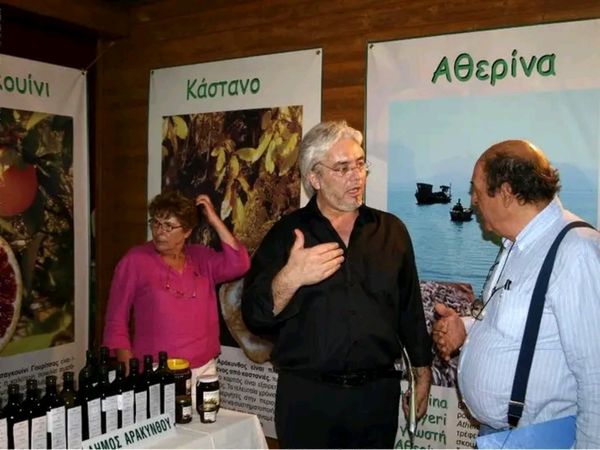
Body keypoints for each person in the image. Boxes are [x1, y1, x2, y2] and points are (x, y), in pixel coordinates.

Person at [241, 121, 432, 449]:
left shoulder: (391, 232)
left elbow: (410, 311)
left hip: (376, 399)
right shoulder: (286, 235)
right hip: (308, 401)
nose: (357, 177)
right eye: (343, 168)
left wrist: (422, 371)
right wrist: (290, 278)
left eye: (360, 164)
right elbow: (254, 316)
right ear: (314, 178)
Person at [432, 140, 600, 447]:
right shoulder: (517, 244)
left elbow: (596, 378)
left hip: (540, 439)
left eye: (477, 191)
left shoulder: (577, 252)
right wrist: (465, 328)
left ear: (507, 193)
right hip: (502, 436)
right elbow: (518, 326)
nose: (473, 201)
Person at [103, 190, 250, 380]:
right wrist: (129, 372)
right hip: (157, 369)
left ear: (187, 231)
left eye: (168, 226)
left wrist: (214, 220)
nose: (159, 232)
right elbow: (116, 321)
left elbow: (240, 264)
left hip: (204, 368)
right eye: (156, 223)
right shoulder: (135, 260)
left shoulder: (200, 257)